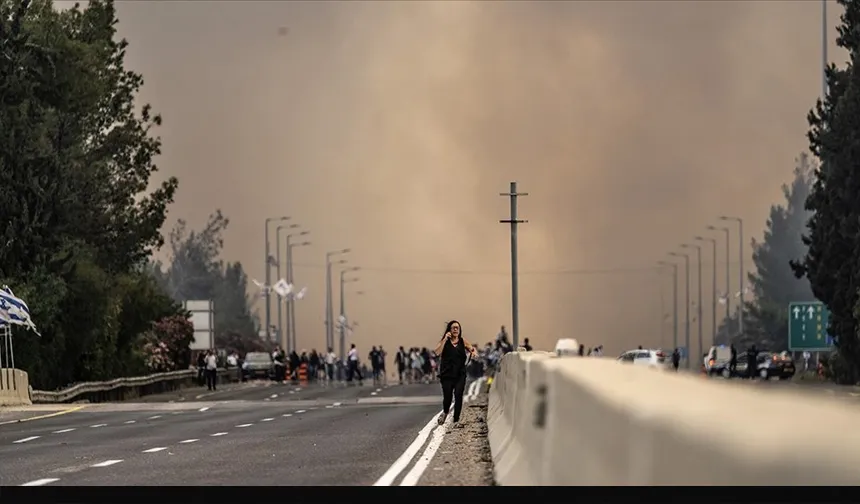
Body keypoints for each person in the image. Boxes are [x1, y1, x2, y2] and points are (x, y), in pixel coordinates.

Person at [433, 320, 478, 428]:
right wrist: (445, 339)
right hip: (447, 374)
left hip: (459, 374)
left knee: (458, 395)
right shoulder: (445, 342)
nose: (455, 329)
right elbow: (437, 352)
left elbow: (471, 348)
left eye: (457, 327)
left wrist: (473, 352)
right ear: (449, 329)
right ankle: (445, 412)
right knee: (447, 396)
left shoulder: (462, 341)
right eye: (453, 327)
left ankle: (456, 420)